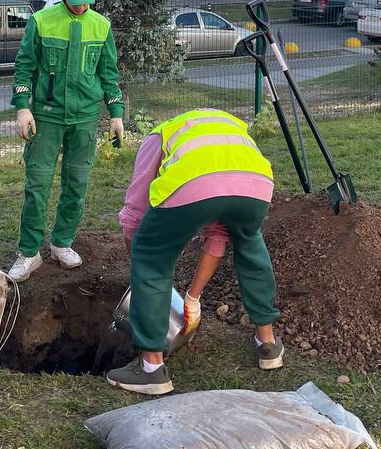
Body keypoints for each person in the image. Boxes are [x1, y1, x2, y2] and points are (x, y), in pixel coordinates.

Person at [107, 108, 281, 395]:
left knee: (151, 256)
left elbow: (135, 211)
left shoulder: (159, 135)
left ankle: (151, 369)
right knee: (249, 243)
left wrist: (140, 267)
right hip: (256, 185)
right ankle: (268, 343)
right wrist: (192, 299)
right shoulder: (230, 126)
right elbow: (218, 236)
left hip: (192, 184)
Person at [8, 0, 124, 282]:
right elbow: (24, 66)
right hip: (47, 116)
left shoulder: (101, 26)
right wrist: (23, 108)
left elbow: (108, 74)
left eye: (87, 1)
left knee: (77, 184)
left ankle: (62, 243)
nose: (82, 6)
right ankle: (29, 252)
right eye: (77, 1)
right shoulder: (41, 22)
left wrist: (116, 113)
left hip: (85, 118)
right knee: (37, 184)